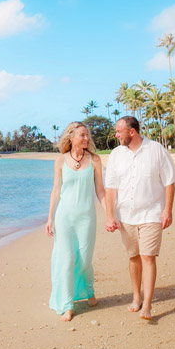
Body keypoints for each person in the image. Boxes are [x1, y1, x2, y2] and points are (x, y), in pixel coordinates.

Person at [104, 116, 175, 322]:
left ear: (132, 132)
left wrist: (167, 210)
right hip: (126, 215)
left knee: (148, 257)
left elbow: (169, 181)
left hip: (152, 213)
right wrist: (110, 215)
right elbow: (111, 187)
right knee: (134, 257)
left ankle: (147, 304)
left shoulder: (156, 150)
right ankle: (136, 297)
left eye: (119, 132)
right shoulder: (116, 155)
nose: (116, 135)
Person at [45, 121, 106, 321]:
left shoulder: (95, 160)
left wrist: (109, 214)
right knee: (66, 260)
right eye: (82, 135)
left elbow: (100, 191)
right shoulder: (61, 161)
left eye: (87, 135)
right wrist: (50, 218)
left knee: (85, 259)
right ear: (71, 138)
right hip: (64, 217)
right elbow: (56, 191)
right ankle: (67, 303)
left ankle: (88, 291)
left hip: (87, 217)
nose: (86, 138)